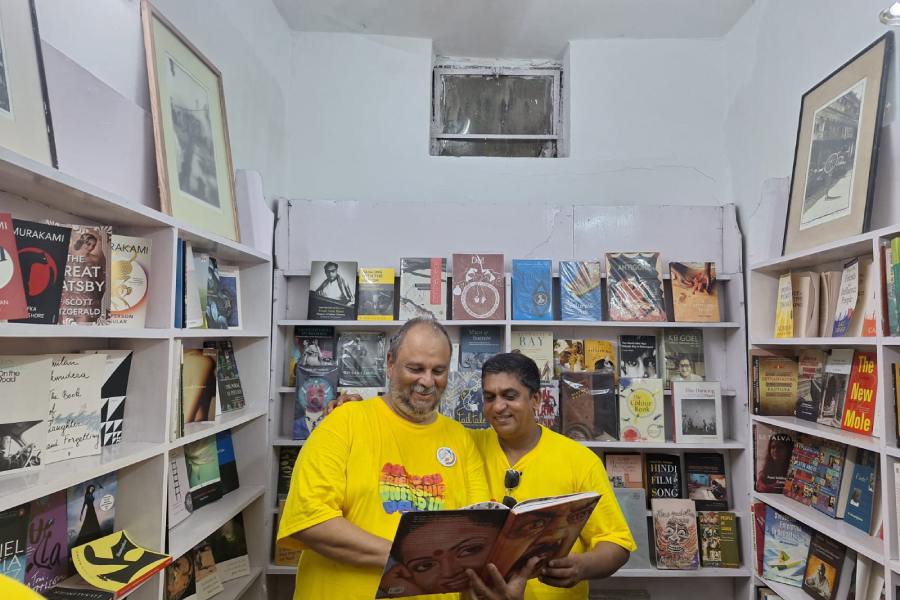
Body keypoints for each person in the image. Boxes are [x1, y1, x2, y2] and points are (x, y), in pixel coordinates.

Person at [276, 317, 489, 599]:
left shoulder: (460, 439)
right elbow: (310, 521)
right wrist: (412, 561)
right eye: (415, 368)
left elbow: (479, 531)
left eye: (438, 370)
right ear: (390, 363)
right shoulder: (343, 422)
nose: (427, 381)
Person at [467, 353, 635, 599]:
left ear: (535, 399)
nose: (498, 406)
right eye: (489, 397)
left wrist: (581, 566)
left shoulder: (580, 460)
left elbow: (618, 544)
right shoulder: (467, 447)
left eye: (510, 396)